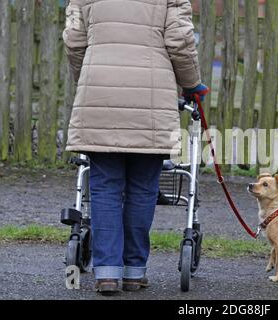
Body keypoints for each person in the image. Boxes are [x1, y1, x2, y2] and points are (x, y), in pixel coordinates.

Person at [63, 0, 209, 295]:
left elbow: (74, 39)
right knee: (143, 187)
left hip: (99, 91)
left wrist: (89, 77)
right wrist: (192, 83)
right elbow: (180, 40)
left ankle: (106, 273)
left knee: (104, 185)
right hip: (151, 97)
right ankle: (133, 272)